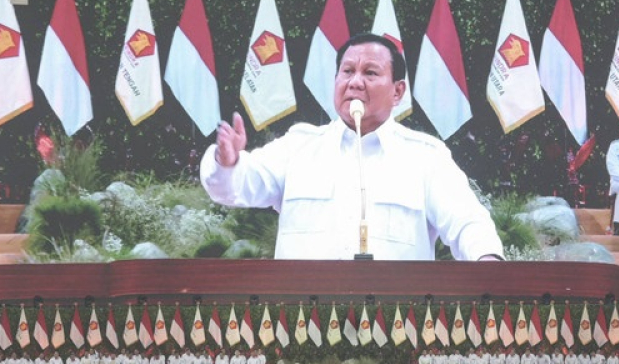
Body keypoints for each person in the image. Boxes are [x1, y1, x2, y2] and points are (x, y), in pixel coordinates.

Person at [201, 33, 505, 262]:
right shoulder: (299, 147)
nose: (355, 82)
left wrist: (487, 259)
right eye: (347, 72)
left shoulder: (425, 157)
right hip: (301, 325)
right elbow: (236, 187)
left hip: (397, 325)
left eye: (370, 73)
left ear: (398, 91)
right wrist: (226, 162)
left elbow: (467, 221)